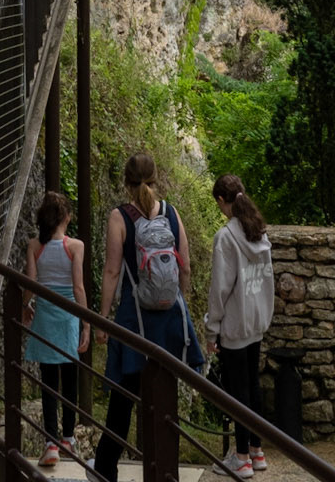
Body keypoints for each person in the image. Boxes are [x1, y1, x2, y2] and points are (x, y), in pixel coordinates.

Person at [93, 150, 202, 482]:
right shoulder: (170, 212)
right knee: (164, 399)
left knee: (123, 400)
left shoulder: (119, 217)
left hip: (133, 319)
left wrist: (102, 316)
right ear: (156, 179)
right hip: (168, 318)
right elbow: (184, 263)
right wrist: (178, 302)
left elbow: (112, 271)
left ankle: (105, 470)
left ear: (126, 183)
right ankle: (163, 471)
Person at [206, 173, 276, 479]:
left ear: (222, 201)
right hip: (257, 321)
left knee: (238, 392)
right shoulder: (258, 232)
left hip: (235, 323)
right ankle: (257, 451)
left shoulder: (226, 238)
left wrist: (212, 328)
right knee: (253, 385)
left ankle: (242, 456)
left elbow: (220, 288)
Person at [23, 191, 90, 469]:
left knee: (48, 380)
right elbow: (77, 288)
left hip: (45, 319)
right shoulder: (75, 246)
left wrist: (24, 305)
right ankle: (67, 438)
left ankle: (50, 442)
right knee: (70, 378)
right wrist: (86, 323)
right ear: (67, 217)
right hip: (68, 318)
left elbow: (30, 282)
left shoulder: (34, 246)